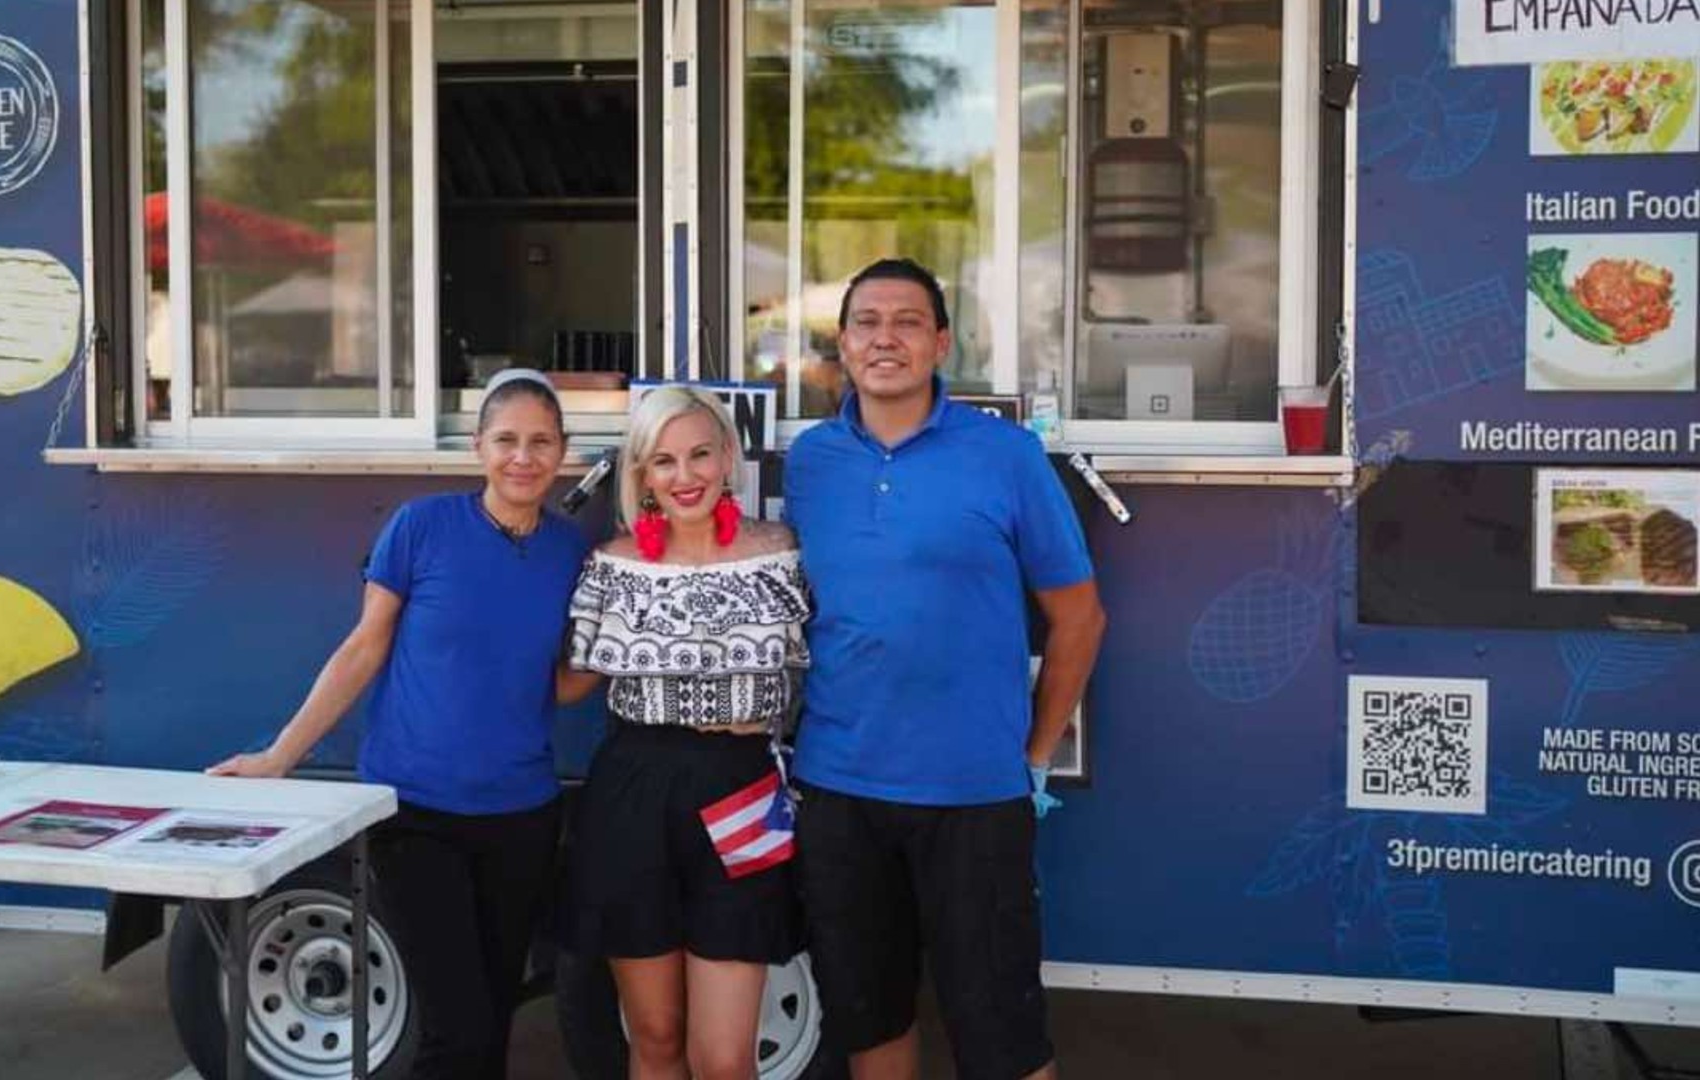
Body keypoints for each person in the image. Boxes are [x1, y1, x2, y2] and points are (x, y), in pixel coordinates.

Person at [208, 369, 591, 1080]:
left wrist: (635, 656)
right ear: (478, 447)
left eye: (541, 442)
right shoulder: (421, 527)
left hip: (522, 815)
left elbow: (563, 687)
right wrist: (279, 756)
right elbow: (363, 649)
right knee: (458, 1029)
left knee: (492, 1021)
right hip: (415, 812)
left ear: (562, 452)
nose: (523, 457)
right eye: (506, 440)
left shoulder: (571, 553)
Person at [783, 258, 1106, 1080]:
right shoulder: (811, 462)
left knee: (1002, 1038)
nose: (885, 338)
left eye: (907, 321)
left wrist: (1034, 757)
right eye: (866, 322)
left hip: (974, 796)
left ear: (941, 343)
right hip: (839, 790)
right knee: (872, 1023)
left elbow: (1079, 618)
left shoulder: (1006, 456)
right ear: (842, 343)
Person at [557, 384, 807, 1080]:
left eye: (700, 454)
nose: (685, 475)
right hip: (633, 794)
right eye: (663, 461)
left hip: (743, 785)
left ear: (728, 456)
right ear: (641, 474)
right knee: (657, 1038)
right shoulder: (610, 567)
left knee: (725, 1058)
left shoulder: (781, 553)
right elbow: (564, 683)